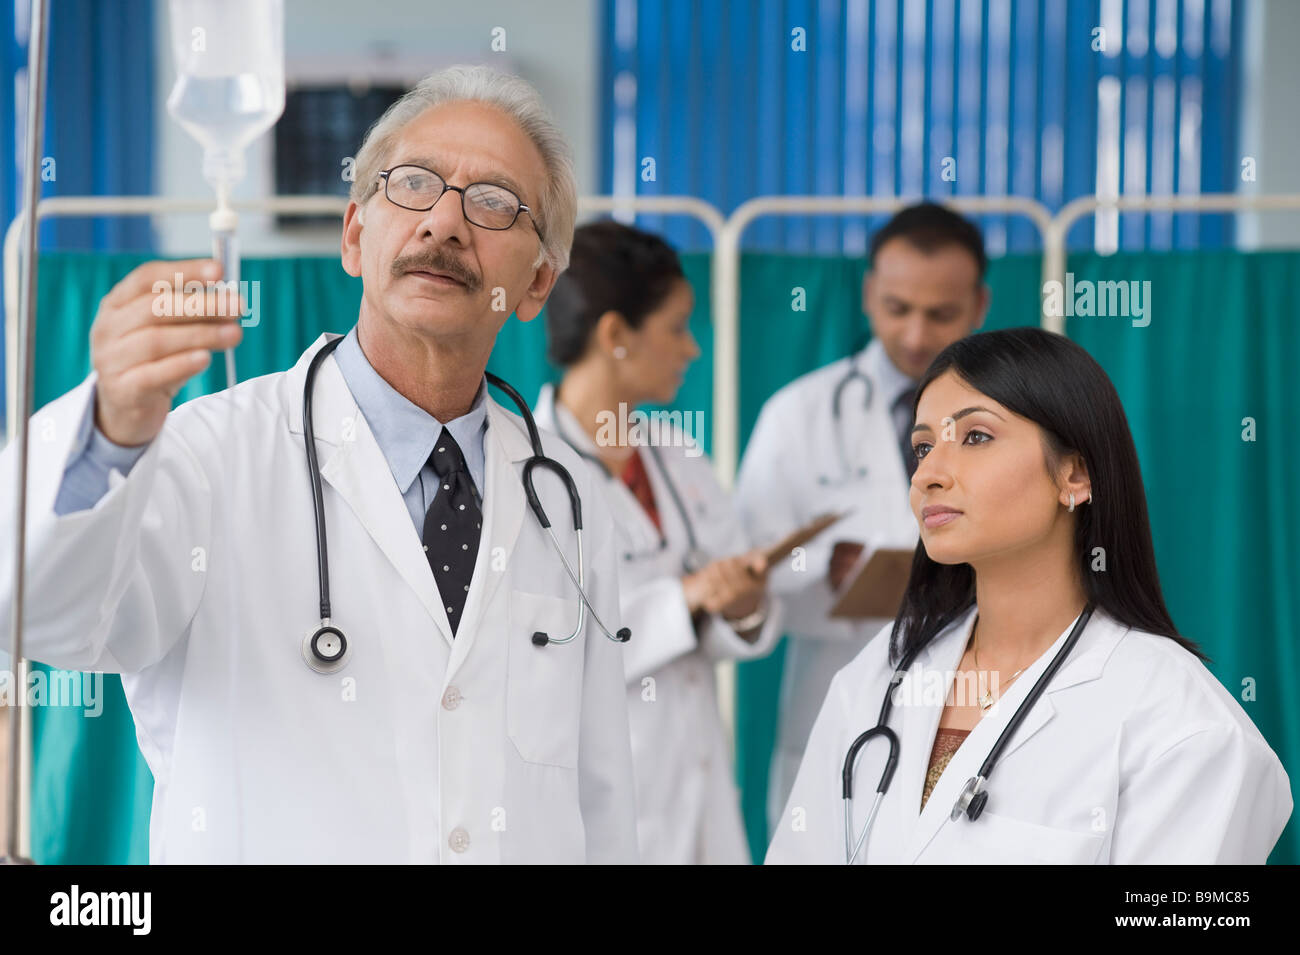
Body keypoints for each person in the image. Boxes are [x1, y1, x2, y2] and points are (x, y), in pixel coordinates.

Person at [0, 65, 639, 864]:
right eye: (412, 184)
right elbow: (44, 612)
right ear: (353, 235)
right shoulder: (207, 458)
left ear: (539, 282)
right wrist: (110, 429)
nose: (443, 223)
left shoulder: (570, 504)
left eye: (493, 203)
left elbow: (602, 799)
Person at [766, 327, 1293, 864]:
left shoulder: (1181, 726)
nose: (928, 474)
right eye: (923, 446)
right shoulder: (880, 672)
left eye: (975, 437)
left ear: (1076, 473)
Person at [735, 203, 989, 829]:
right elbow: (748, 579)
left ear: (980, 305)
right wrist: (826, 569)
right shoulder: (798, 414)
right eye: (898, 308)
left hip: (976, 698)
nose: (914, 336)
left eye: (941, 314)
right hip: (837, 701)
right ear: (869, 294)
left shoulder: (1014, 419)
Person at [533, 221, 782, 864]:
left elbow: (747, 611)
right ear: (616, 335)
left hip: (699, 784)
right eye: (676, 328)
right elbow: (540, 646)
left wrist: (741, 604)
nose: (692, 350)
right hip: (601, 804)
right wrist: (687, 598)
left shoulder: (679, 458)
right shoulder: (525, 473)